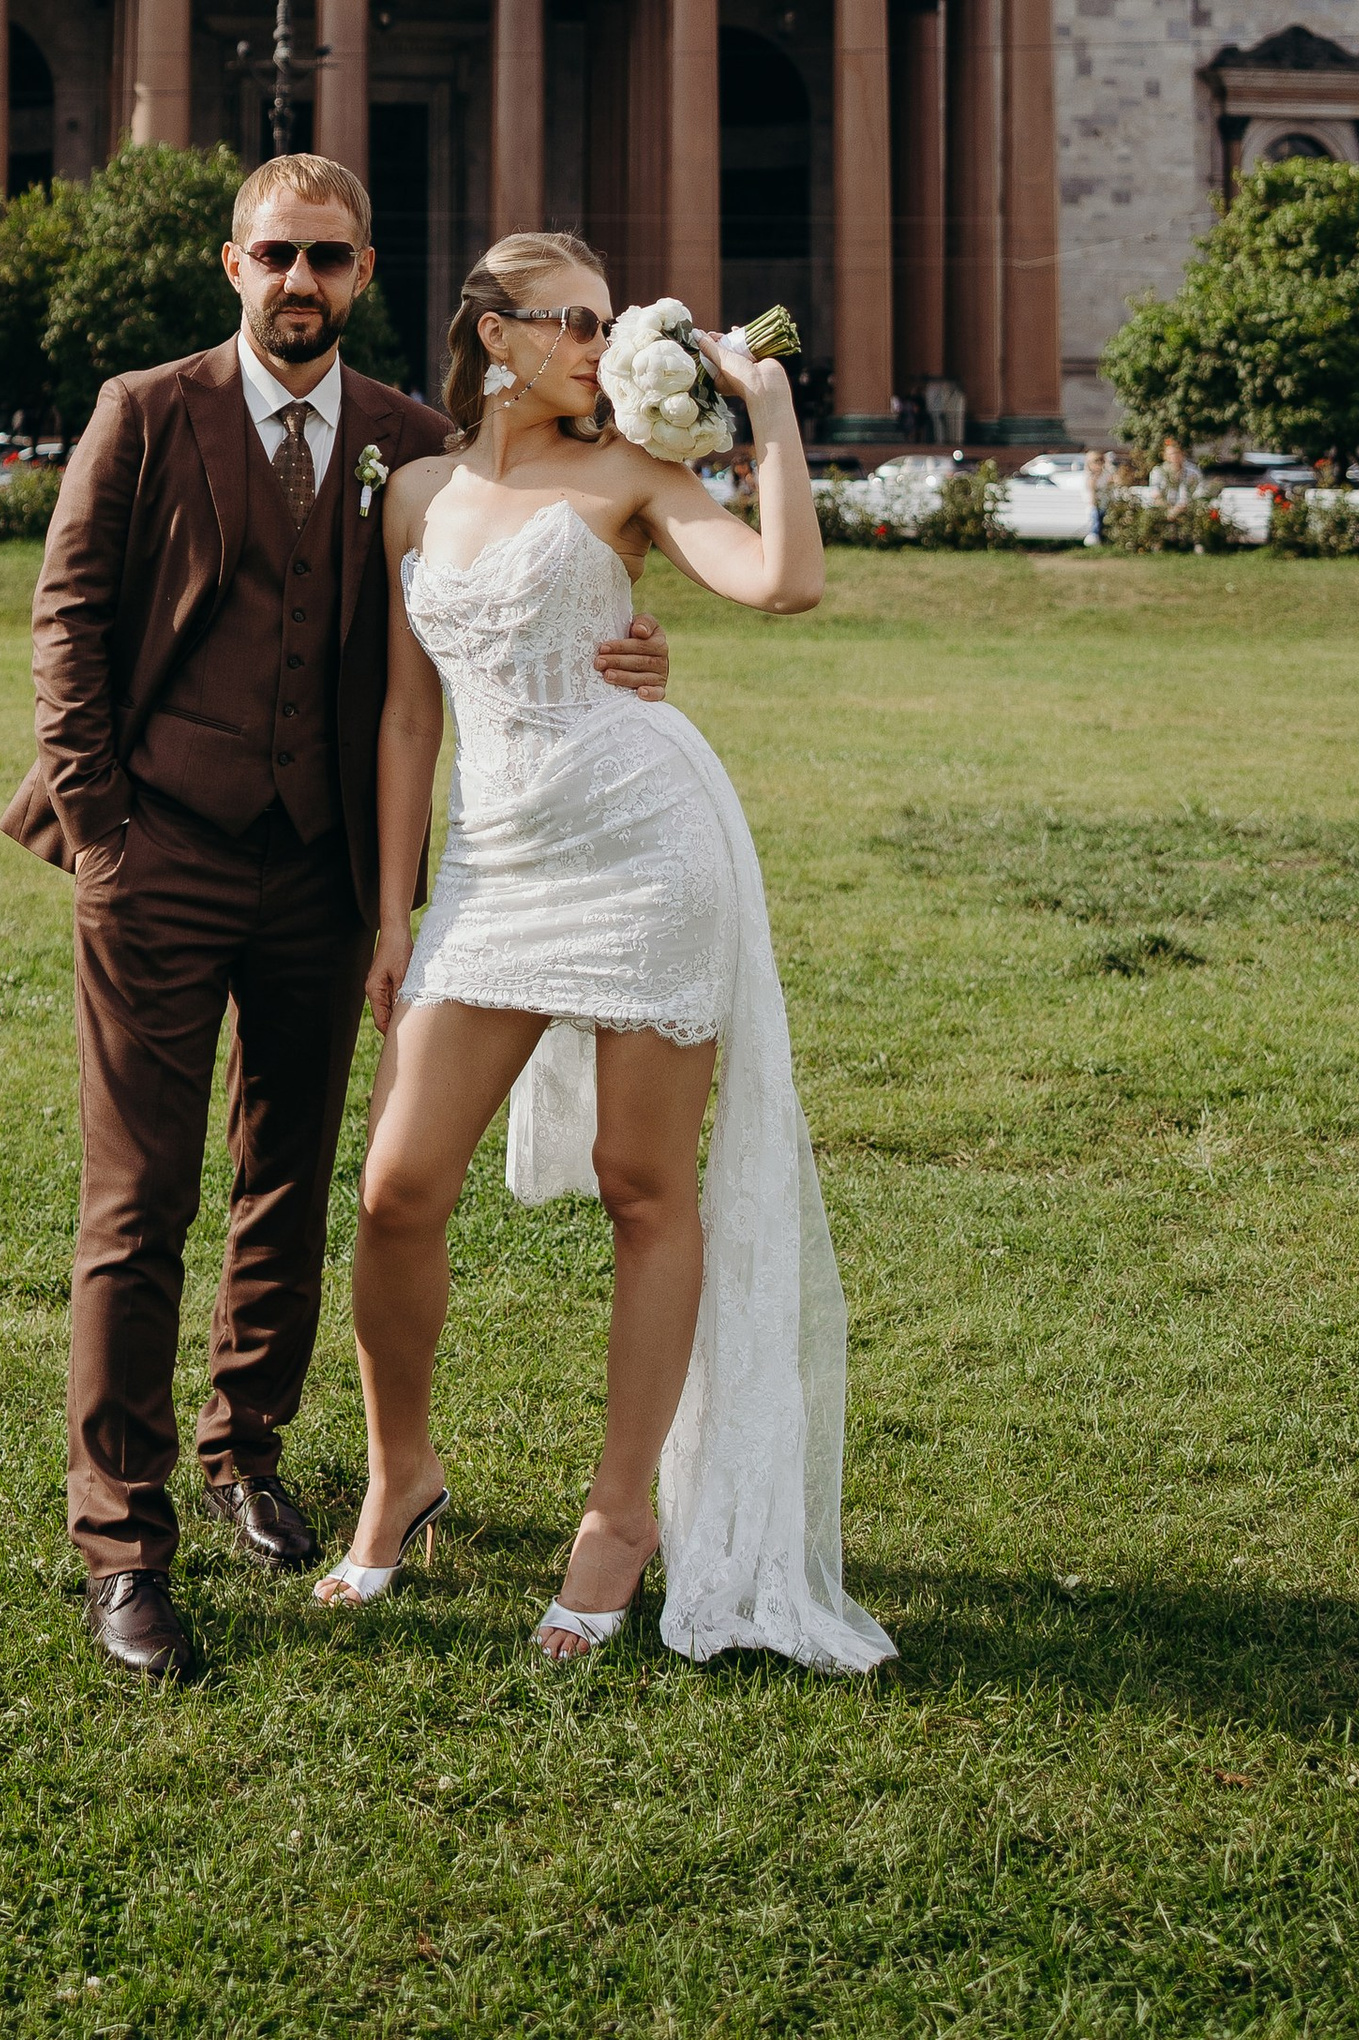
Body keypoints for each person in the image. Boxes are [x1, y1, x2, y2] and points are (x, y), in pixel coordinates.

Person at [10, 155, 675, 1689]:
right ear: (232, 264)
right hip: (160, 855)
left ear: (365, 274)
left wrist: (634, 653)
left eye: (327, 258)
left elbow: (503, 603)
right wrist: (104, 836)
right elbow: (68, 619)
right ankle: (123, 1542)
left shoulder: (409, 441)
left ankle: (247, 1449)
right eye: (276, 255)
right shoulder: (144, 411)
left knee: (294, 1182)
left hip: (322, 876)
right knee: (137, 1203)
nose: (299, 282)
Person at [313, 231, 895, 1677]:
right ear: (494, 335)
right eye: (570, 321)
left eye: (605, 320)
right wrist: (395, 912)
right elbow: (408, 716)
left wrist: (766, 408)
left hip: (643, 848)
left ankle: (620, 1517)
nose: (599, 342)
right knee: (395, 1188)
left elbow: (782, 583)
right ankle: (399, 1473)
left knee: (644, 1186)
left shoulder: (636, 472)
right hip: (494, 872)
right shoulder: (416, 495)